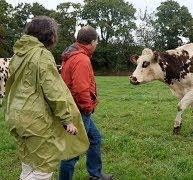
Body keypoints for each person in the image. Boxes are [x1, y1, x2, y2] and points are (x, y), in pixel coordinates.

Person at [4, 16, 89, 179]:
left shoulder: (19, 54)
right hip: (35, 120)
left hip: (15, 115)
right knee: (44, 168)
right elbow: (53, 90)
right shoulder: (42, 55)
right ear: (50, 35)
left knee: (28, 164)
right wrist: (66, 119)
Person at [59, 25, 113, 180]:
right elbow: (80, 89)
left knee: (95, 138)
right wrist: (87, 108)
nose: (96, 45)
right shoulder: (81, 59)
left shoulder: (71, 55)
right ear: (92, 42)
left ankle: (95, 174)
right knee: (73, 150)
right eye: (96, 42)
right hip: (79, 111)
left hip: (74, 108)